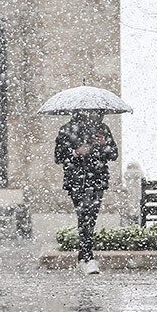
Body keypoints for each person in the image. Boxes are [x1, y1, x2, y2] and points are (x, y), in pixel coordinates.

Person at [55, 110, 117, 274]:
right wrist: (76, 152)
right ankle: (87, 258)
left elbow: (114, 154)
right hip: (76, 181)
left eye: (94, 112)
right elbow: (58, 156)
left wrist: (104, 144)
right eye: (87, 112)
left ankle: (84, 258)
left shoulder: (103, 129)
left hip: (97, 180)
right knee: (84, 217)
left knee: (90, 218)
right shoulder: (67, 129)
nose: (91, 115)